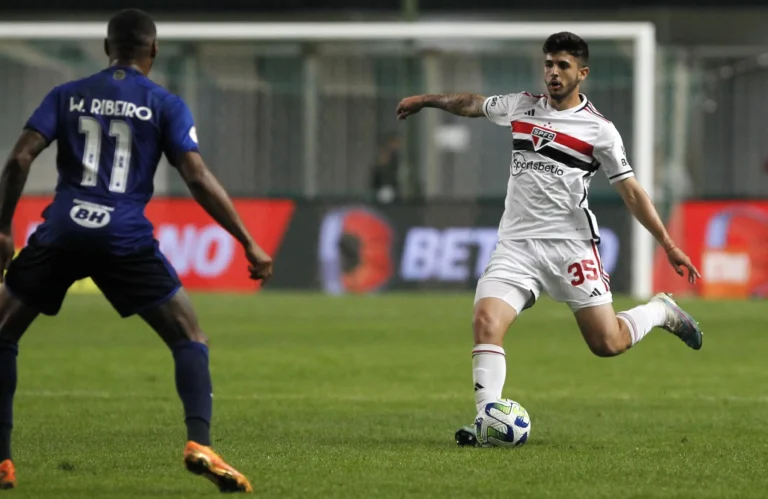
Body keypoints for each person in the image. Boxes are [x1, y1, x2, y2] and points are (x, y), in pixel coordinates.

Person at [0, 9, 270, 492]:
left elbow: (20, 156)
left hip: (61, 231)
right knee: (189, 336)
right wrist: (247, 241)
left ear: (107, 48)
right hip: (124, 236)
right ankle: (199, 442)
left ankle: (1, 460)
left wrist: (2, 230)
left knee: (2, 333)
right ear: (154, 51)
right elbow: (196, 177)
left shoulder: (66, 95)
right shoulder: (163, 104)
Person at [395, 32, 703, 446]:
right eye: (548, 64)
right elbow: (471, 103)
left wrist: (667, 244)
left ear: (582, 73)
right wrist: (426, 99)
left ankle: (661, 312)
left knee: (607, 343)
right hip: (517, 246)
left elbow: (631, 190)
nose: (553, 73)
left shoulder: (600, 131)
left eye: (562, 66)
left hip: (570, 248)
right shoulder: (521, 106)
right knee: (486, 322)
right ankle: (487, 419)